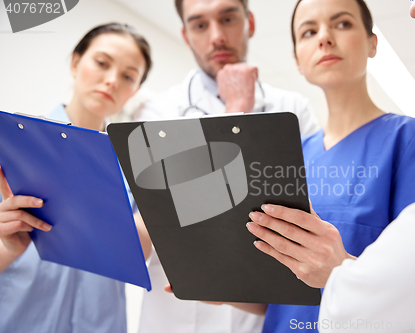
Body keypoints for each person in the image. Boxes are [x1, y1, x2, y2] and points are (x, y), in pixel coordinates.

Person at [247, 0, 415, 331]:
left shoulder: (413, 140)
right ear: (297, 59)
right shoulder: (288, 156)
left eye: (342, 24)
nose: (324, 38)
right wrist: (220, 291)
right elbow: (280, 296)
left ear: (372, 43)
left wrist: (337, 268)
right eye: (309, 32)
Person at [137, 1, 320, 332]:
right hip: (174, 319)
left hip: (255, 316)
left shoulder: (293, 110)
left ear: (249, 22)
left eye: (228, 18)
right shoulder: (157, 111)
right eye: (200, 25)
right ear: (185, 34)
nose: (217, 36)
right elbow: (164, 215)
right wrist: (237, 110)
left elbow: (306, 217)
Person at [0, 23, 152, 332]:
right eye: (102, 63)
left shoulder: (136, 167)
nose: (111, 81)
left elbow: (140, 253)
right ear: (75, 62)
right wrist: (7, 248)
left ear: (134, 90)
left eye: (127, 76)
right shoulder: (14, 146)